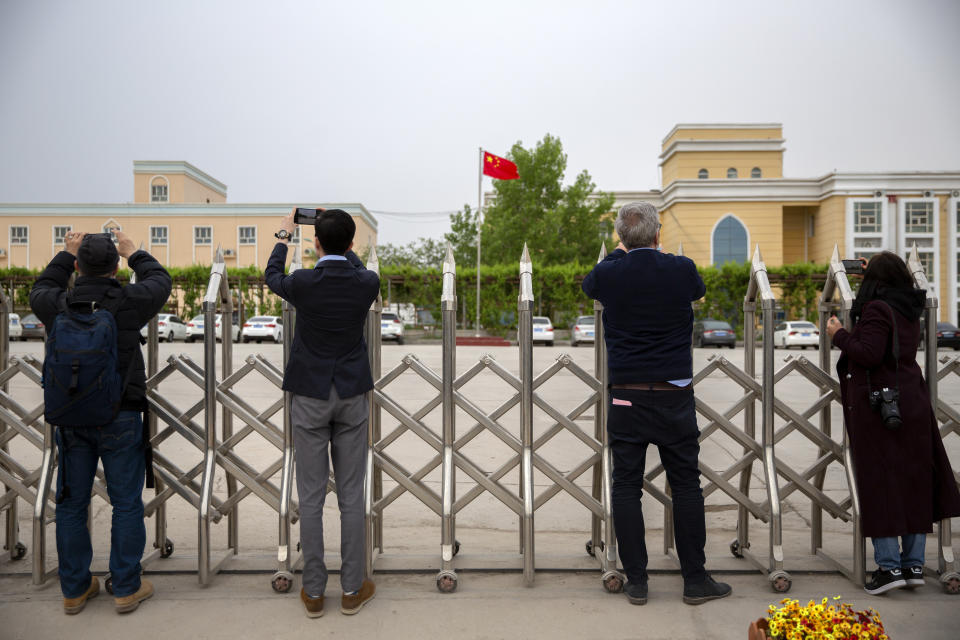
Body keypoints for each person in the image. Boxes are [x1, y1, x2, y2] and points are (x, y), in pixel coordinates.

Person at [582, 202, 732, 606]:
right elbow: (698, 291)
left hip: (627, 394)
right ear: (658, 234)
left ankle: (637, 581)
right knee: (685, 485)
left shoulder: (610, 273)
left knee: (627, 486)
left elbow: (590, 284)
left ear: (620, 236)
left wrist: (621, 253)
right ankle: (695, 579)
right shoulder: (680, 269)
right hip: (674, 395)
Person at [30, 230, 172, 614]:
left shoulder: (59, 302)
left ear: (78, 265)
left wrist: (64, 255)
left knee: (72, 503)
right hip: (121, 411)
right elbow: (161, 281)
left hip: (72, 417)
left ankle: (75, 589)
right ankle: (126, 586)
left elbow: (40, 288)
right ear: (115, 267)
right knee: (126, 502)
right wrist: (135, 253)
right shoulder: (128, 300)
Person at [265, 208, 380, 618]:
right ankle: (352, 589)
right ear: (351, 244)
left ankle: (313, 592)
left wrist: (285, 232)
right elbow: (356, 265)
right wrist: (340, 245)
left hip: (310, 393)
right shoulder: (366, 282)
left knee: (310, 497)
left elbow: (271, 275)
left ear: (315, 244)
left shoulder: (303, 283)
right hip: (351, 393)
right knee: (351, 496)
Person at [826, 251, 960, 595]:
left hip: (880, 409)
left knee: (881, 485)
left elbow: (869, 352)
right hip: (911, 402)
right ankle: (913, 564)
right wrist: (879, 271)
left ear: (876, 281)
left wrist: (839, 334)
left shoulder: (876, 309)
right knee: (913, 483)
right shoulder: (908, 306)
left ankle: (888, 569)